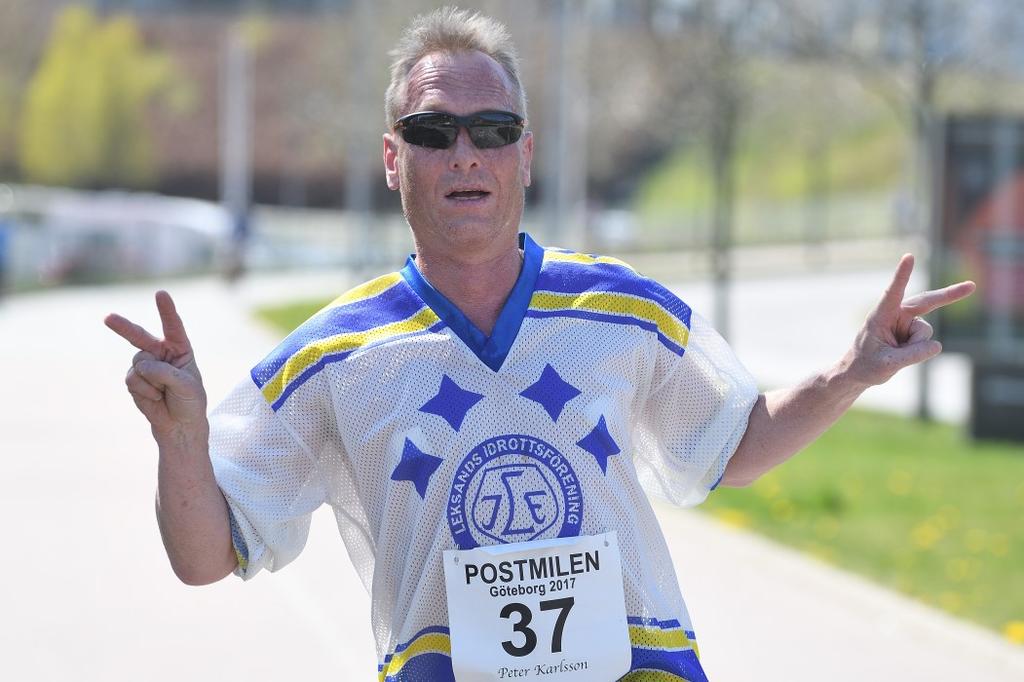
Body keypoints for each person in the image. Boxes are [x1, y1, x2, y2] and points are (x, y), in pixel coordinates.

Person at [105, 8, 975, 682]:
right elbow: (202, 559)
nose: (464, 155)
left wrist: (851, 371)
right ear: (390, 158)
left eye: (491, 131)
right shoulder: (331, 359)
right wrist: (178, 436)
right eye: (433, 132)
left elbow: (733, 445)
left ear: (525, 154)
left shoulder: (621, 310)